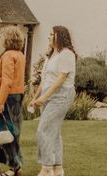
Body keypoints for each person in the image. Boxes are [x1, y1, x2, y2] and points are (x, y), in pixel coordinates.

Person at [33, 26, 77, 176]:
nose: (49, 37)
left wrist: (45, 97)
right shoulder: (51, 55)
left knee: (43, 129)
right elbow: (44, 79)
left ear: (60, 37)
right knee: (54, 131)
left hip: (61, 94)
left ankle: (46, 168)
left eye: (52, 34)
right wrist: (36, 97)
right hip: (48, 93)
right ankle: (58, 169)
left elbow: (61, 79)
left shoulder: (67, 54)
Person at [0, 26, 26, 176]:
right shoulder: (19, 54)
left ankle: (15, 167)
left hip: (8, 98)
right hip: (15, 96)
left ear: (7, 39)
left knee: (7, 132)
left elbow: (7, 81)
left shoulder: (9, 55)